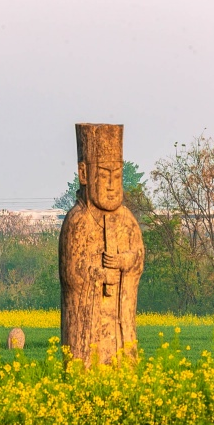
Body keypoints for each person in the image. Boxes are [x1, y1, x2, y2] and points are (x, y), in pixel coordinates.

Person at [59, 123, 144, 366]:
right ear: (84, 174)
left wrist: (126, 262)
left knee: (121, 363)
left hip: (118, 317)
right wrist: (99, 274)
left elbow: (138, 259)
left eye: (116, 177)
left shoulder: (127, 220)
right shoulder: (77, 221)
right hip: (89, 324)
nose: (111, 185)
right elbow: (72, 275)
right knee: (88, 366)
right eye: (104, 175)